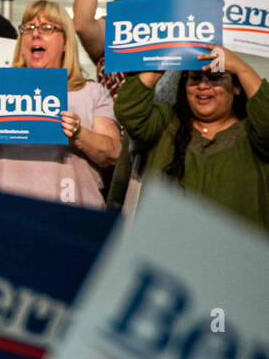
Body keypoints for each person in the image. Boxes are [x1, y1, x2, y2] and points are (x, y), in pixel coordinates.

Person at [0, 1, 121, 207]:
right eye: (28, 28)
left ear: (66, 41)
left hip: (68, 219)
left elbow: (112, 153)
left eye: (47, 28)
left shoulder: (91, 93)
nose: (35, 34)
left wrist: (78, 133)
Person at [114, 46, 269, 230]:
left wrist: (241, 68)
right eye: (194, 78)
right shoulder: (166, 123)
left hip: (235, 256)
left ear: (237, 87)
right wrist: (161, 59)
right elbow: (129, 110)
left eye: (215, 77)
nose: (203, 85)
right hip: (166, 252)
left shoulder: (254, 134)